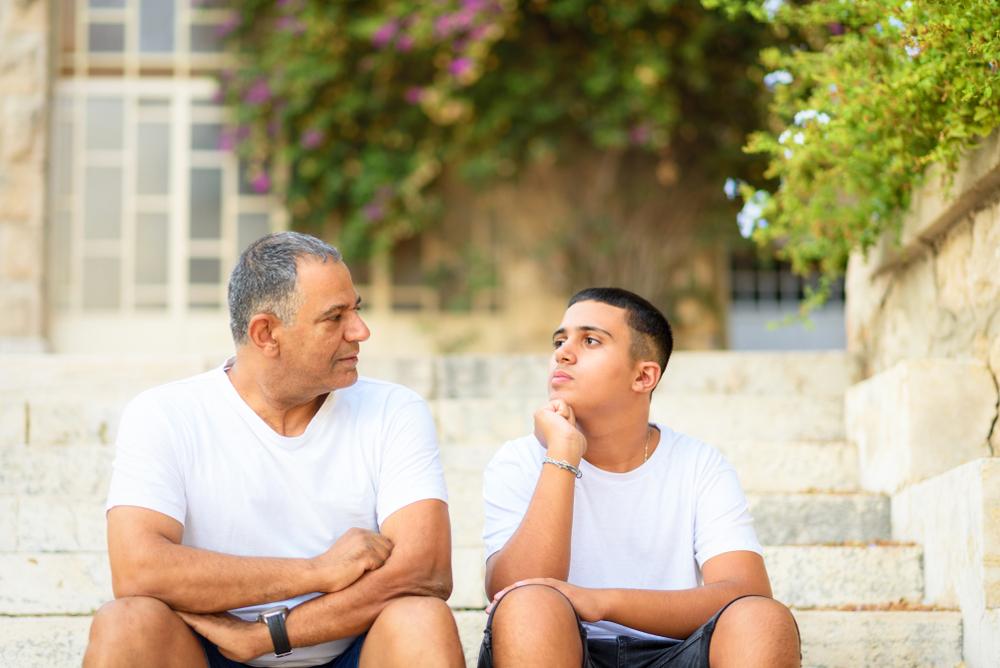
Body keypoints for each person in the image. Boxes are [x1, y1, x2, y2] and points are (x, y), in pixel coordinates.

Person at [83, 232, 465, 668]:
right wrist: (315, 572)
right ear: (266, 333)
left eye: (355, 309)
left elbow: (426, 570)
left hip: (353, 653)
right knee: (125, 623)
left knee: (422, 618)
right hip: (208, 654)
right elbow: (138, 570)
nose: (360, 330)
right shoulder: (165, 414)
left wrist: (269, 634)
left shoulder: (394, 409)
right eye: (335, 317)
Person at [478, 287, 801, 668]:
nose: (562, 353)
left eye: (591, 340)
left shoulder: (698, 464)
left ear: (643, 376)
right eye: (560, 340)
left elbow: (746, 591)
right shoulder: (520, 459)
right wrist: (562, 453)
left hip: (675, 653)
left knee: (761, 619)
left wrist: (602, 602)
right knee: (530, 606)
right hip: (560, 649)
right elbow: (515, 591)